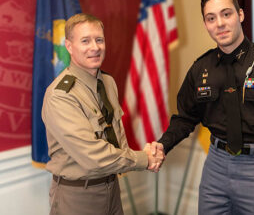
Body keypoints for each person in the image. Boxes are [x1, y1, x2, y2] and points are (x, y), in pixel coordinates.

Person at [150, 0, 254, 214]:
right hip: (216, 167)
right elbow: (184, 118)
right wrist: (163, 145)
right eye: (211, 18)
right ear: (206, 24)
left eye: (226, 14)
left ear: (240, 15)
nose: (219, 23)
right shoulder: (201, 68)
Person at [42, 13, 164, 215]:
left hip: (111, 187)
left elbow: (117, 134)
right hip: (78, 196)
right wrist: (145, 159)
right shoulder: (60, 95)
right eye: (85, 41)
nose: (95, 47)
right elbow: (93, 156)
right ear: (69, 46)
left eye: (99, 39)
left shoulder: (107, 82)